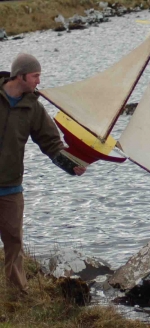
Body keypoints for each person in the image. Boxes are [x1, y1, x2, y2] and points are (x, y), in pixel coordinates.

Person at [0, 53, 86, 294]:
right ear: (21, 75)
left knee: (14, 244)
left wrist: (71, 165)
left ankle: (17, 297)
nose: (39, 81)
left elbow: (52, 144)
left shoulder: (33, 108)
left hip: (10, 187)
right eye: (36, 75)